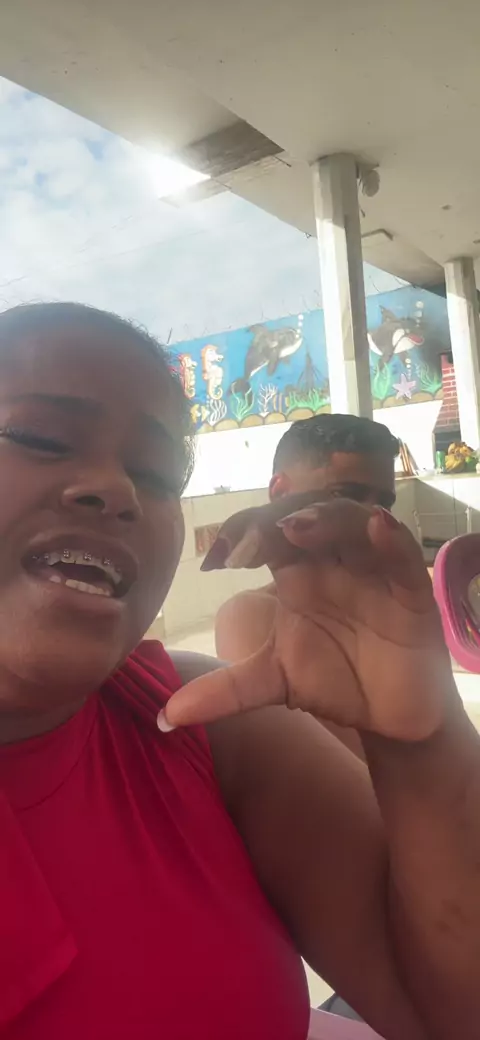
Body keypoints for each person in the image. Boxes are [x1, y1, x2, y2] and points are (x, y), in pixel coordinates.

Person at [0, 302, 478, 1040]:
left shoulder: (203, 725)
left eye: (157, 474)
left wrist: (423, 742)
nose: (117, 488)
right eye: (42, 437)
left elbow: (453, 1011)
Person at [215, 414, 399, 758]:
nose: (368, 518)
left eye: (383, 504)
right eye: (344, 495)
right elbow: (330, 772)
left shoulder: (394, 610)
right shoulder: (254, 615)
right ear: (280, 493)